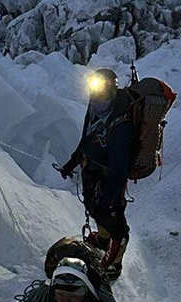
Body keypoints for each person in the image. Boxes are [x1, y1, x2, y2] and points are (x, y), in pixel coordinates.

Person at [59, 68, 135, 278]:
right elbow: (87, 137)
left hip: (109, 174)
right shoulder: (94, 110)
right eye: (94, 92)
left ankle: (113, 264)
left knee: (112, 216)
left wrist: (109, 199)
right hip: (91, 168)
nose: (97, 97)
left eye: (102, 93)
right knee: (94, 207)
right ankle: (103, 237)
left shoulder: (121, 124)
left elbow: (119, 170)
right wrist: (72, 162)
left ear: (111, 92)